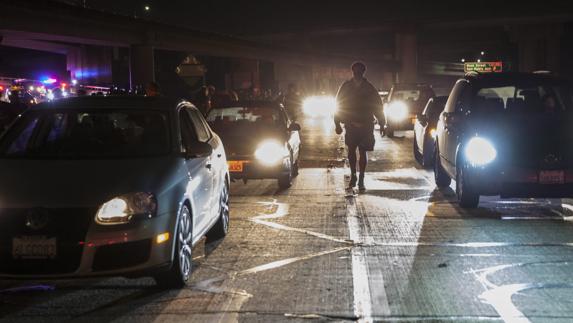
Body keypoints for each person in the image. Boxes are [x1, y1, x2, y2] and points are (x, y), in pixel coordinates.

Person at [335, 62, 385, 191]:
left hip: (366, 124)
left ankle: (361, 177)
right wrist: (337, 123)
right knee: (351, 151)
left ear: (363, 72)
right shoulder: (346, 87)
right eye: (355, 71)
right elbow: (339, 104)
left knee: (363, 151)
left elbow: (377, 106)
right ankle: (353, 175)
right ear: (352, 72)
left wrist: (382, 123)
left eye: (359, 71)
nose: (357, 73)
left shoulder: (369, 88)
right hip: (351, 124)